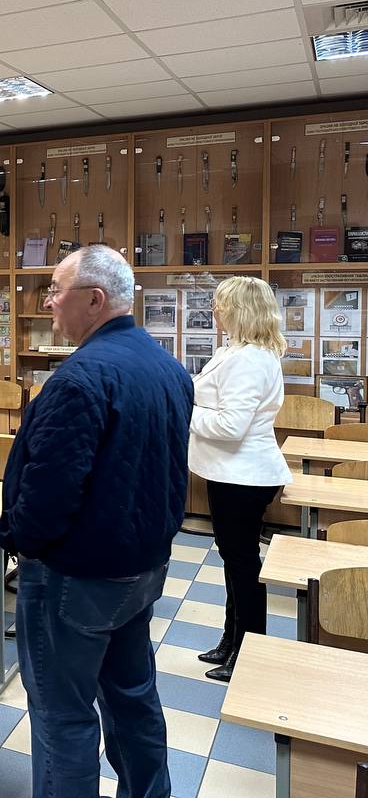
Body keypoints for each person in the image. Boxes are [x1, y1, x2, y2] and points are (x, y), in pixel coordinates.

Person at [0, 246, 193, 798]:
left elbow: (50, 490)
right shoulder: (167, 367)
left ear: (94, 299)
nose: (49, 302)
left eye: (56, 290)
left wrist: (22, 541)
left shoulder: (80, 379)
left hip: (76, 578)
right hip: (140, 568)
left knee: (62, 717)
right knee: (133, 697)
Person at [188, 276, 290, 682]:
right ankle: (232, 640)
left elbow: (230, 426)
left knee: (243, 564)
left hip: (244, 477)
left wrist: (183, 409)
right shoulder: (237, 351)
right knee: (234, 560)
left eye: (221, 303)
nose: (214, 310)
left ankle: (246, 652)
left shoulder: (249, 360)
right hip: (231, 474)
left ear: (240, 310)